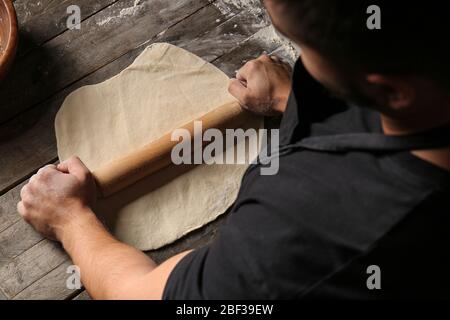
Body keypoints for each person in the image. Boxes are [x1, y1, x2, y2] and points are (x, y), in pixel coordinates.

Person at [18, 0, 450, 299]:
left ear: (392, 92)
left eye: (304, 47)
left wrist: (70, 220)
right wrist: (296, 98)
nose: (297, 58)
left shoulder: (314, 230)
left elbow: (162, 297)